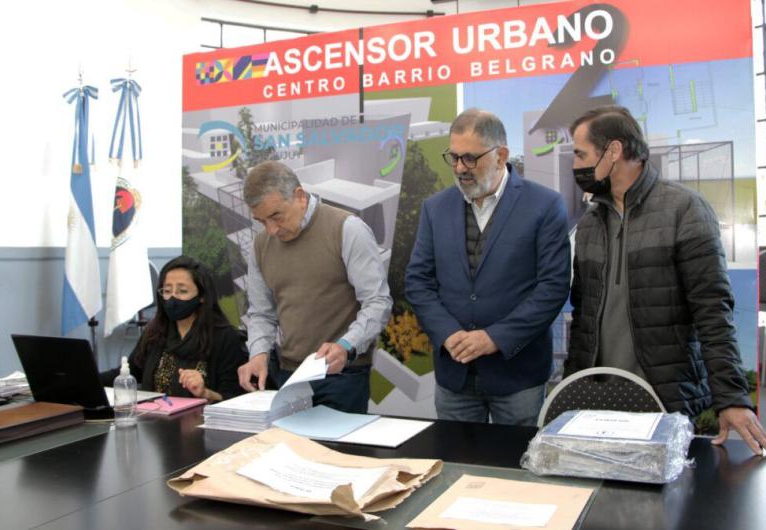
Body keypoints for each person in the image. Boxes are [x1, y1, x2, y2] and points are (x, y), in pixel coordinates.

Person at [565, 105, 766, 455]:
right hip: (599, 401)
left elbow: (713, 310)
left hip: (667, 398)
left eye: (580, 154)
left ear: (614, 151)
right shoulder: (590, 222)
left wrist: (731, 397)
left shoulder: (685, 210)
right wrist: (572, 386)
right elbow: (584, 313)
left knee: (669, 506)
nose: (575, 165)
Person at [404, 108, 571, 425]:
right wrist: (447, 332)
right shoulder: (435, 208)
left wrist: (495, 338)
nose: (459, 168)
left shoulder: (545, 206)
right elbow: (417, 282)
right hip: (454, 377)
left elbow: (552, 288)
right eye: (453, 158)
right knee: (456, 462)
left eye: (470, 158)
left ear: (501, 154)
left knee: (517, 466)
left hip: (518, 376)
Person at [236, 160, 392, 413]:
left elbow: (377, 302)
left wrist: (346, 346)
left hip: (343, 375)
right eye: (261, 221)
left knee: (338, 452)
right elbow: (262, 313)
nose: (272, 230)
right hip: (290, 376)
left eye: (276, 216)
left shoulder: (347, 229)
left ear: (299, 196)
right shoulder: (260, 245)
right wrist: (258, 355)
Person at [100, 255, 246, 401]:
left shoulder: (225, 337)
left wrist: (205, 393)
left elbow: (234, 398)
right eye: (167, 291)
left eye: (182, 291)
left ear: (202, 296)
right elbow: (128, 373)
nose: (173, 298)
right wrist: (87, 380)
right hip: (153, 419)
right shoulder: (154, 333)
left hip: (200, 421)